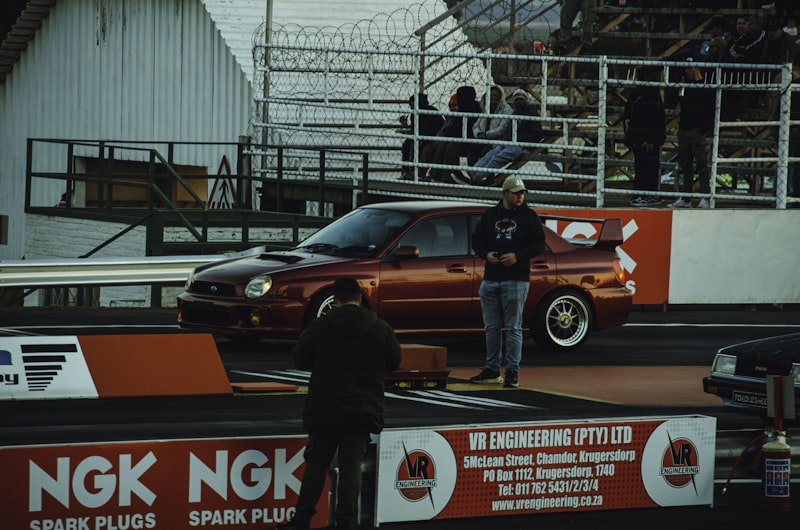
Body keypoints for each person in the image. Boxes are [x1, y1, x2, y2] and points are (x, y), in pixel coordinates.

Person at [277, 277, 402, 530]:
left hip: (325, 407)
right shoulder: (380, 327)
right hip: (363, 408)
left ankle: (302, 519)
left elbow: (300, 360)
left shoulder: (320, 326)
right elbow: (394, 362)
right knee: (350, 465)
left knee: (317, 463)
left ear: (335, 300)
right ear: (359, 298)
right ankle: (346, 521)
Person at [470, 176, 546, 388]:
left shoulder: (529, 217)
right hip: (491, 277)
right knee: (492, 327)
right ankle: (492, 369)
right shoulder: (491, 215)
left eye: (522, 193)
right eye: (516, 193)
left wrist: (518, 256)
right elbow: (476, 239)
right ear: (505, 194)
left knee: (513, 327)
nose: (520, 196)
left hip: (516, 278)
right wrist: (487, 254)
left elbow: (539, 244)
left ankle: (512, 371)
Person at [458, 88, 543, 185]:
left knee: (497, 158)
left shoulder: (532, 114)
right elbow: (508, 131)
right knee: (490, 154)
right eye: (517, 99)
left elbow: (537, 135)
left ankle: (474, 177)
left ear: (526, 100)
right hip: (510, 143)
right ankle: (471, 173)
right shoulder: (515, 113)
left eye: (521, 99)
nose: (519, 101)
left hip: (522, 146)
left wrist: (518, 139)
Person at [669, 59, 716, 209]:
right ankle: (686, 197)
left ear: (697, 69)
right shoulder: (686, 87)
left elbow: (709, 111)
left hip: (697, 131)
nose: (687, 71)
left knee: (702, 166)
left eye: (690, 68)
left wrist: (703, 129)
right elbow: (675, 103)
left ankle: (704, 197)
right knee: (686, 165)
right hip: (685, 129)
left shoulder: (706, 88)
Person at [623, 65, 666, 206]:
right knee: (645, 166)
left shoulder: (642, 96)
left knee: (647, 166)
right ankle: (642, 194)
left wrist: (649, 139)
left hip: (642, 137)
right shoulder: (646, 96)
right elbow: (653, 119)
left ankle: (647, 194)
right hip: (642, 138)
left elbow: (653, 119)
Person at [428, 85, 481, 183]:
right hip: (461, 140)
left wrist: (452, 132)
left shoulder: (475, 110)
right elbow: (455, 129)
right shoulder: (461, 112)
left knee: (451, 147)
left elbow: (469, 130)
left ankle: (448, 178)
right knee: (444, 145)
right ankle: (436, 176)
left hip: (472, 143)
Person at [399, 93, 444, 180]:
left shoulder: (431, 112)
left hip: (431, 138)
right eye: (410, 105)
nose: (412, 107)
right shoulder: (414, 114)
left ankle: (417, 173)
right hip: (420, 137)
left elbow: (433, 129)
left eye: (413, 105)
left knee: (419, 146)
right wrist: (405, 125)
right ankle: (407, 171)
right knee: (407, 144)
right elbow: (414, 129)